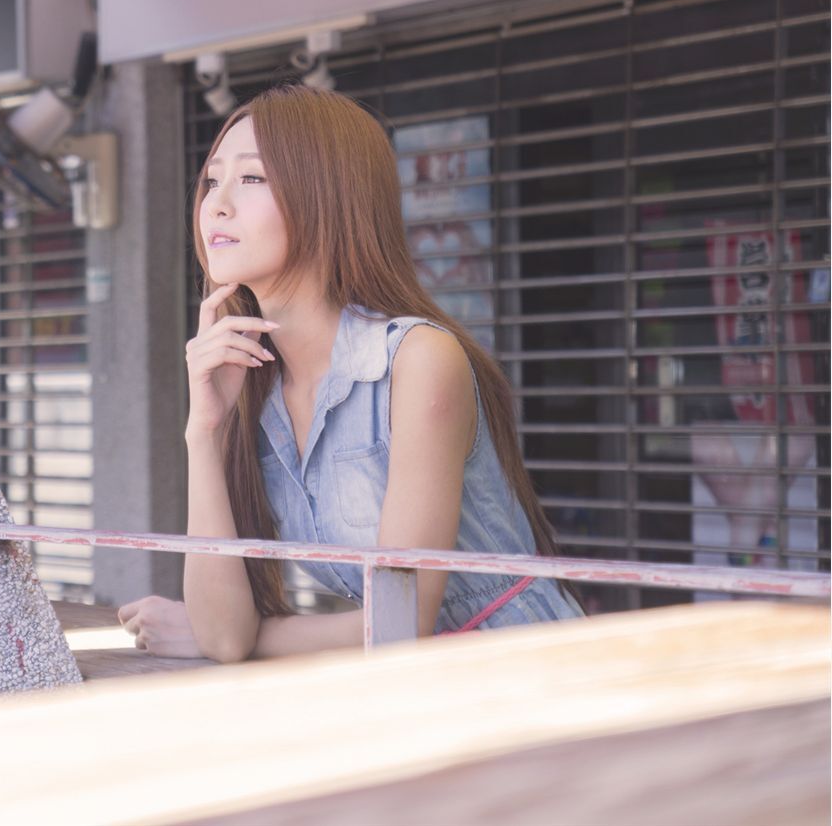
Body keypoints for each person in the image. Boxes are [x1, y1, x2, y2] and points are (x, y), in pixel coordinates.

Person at [119, 83, 585, 662]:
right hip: (414, 687)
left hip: (529, 679)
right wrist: (203, 434)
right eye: (212, 180)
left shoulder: (417, 361)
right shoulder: (253, 381)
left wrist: (244, 635)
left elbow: (400, 618)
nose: (216, 203)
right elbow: (225, 636)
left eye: (252, 178)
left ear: (327, 197)